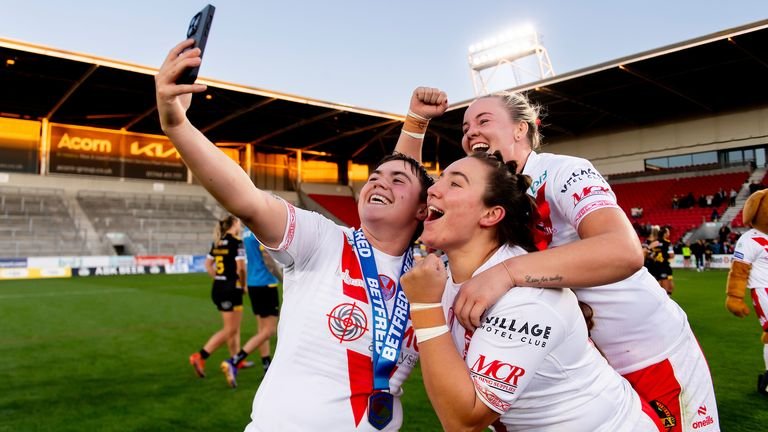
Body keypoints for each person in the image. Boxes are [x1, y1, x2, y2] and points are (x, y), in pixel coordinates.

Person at [156, 40, 440, 430]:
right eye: (374, 177)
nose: (378, 181)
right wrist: (177, 126)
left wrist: (416, 124)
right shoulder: (324, 240)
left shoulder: (428, 280)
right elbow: (249, 201)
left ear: (424, 210)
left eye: (395, 180)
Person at [398, 89, 719, 431]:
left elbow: (624, 250)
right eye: (465, 128)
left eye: (483, 121)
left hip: (647, 351)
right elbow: (409, 194)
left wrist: (506, 273)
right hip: (580, 357)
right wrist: (416, 122)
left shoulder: (563, 171)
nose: (470, 132)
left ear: (520, 129)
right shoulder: (483, 193)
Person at [401, 152, 663, 431]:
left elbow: (464, 421)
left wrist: (425, 307)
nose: (432, 190)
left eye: (455, 183)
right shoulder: (440, 275)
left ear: (491, 214)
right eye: (439, 180)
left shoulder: (526, 298)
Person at [220, 224, 282, 388]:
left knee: (262, 330)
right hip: (266, 283)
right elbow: (268, 259)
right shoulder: (260, 229)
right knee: (269, 331)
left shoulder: (246, 232)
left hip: (253, 284)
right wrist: (282, 278)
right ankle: (234, 361)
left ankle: (266, 365)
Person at [189, 215, 246, 378]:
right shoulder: (237, 242)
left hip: (219, 288)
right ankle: (200, 356)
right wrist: (243, 285)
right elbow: (241, 269)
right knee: (230, 329)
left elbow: (208, 264)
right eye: (238, 223)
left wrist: (219, 278)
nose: (240, 226)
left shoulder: (218, 242)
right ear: (234, 224)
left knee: (234, 327)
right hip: (231, 289)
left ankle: (236, 360)